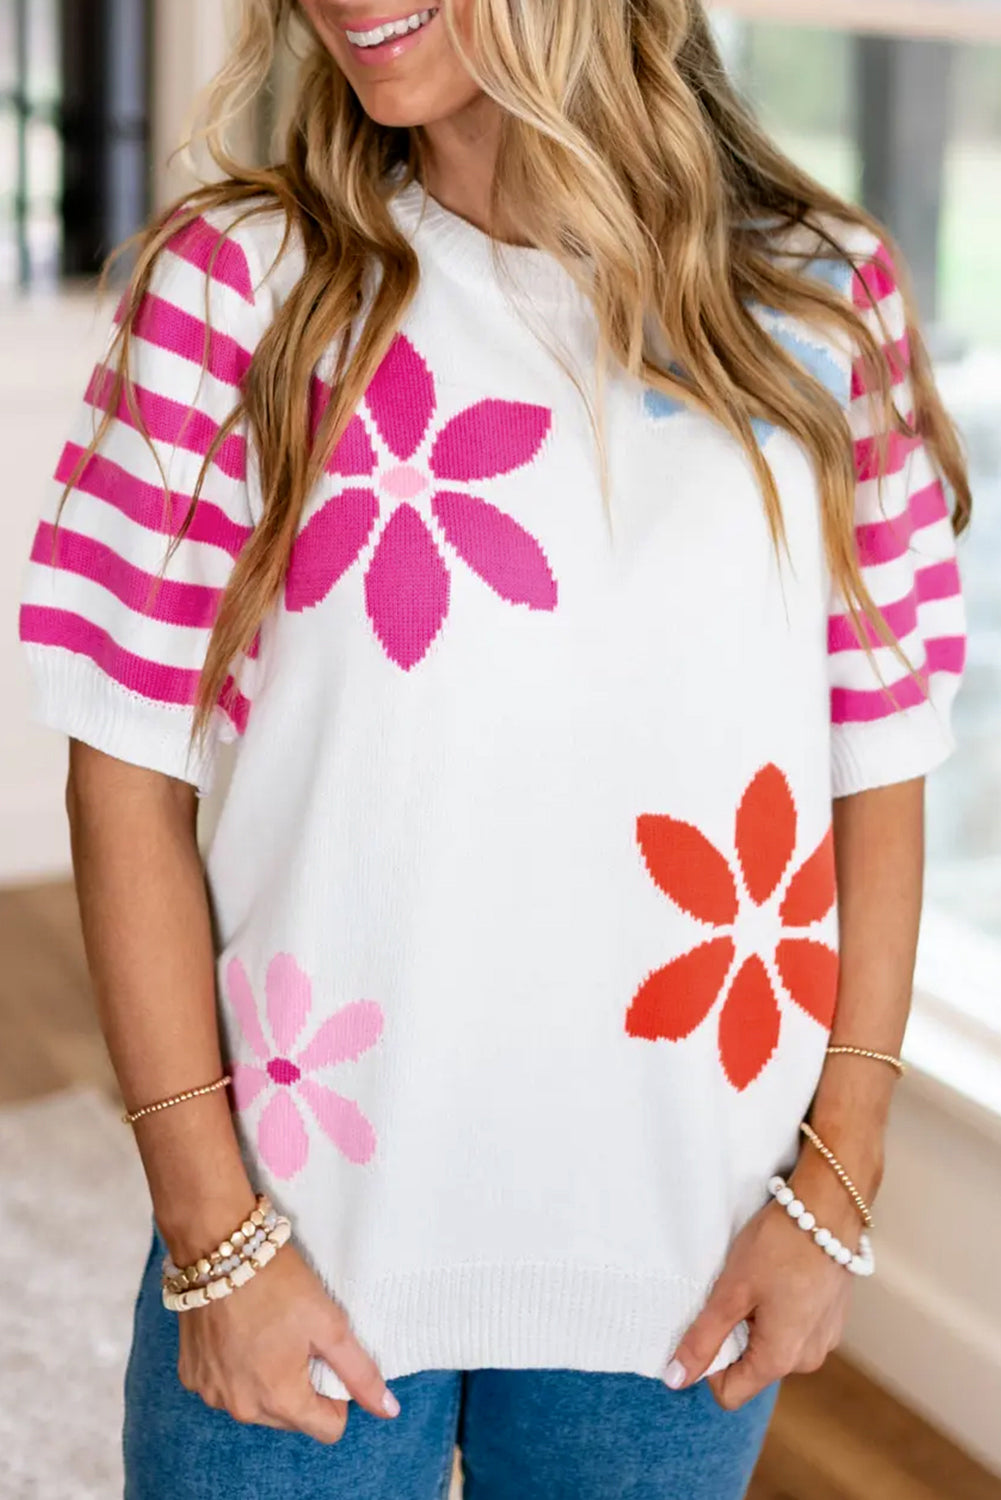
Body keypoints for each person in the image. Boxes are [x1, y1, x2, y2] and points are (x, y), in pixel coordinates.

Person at [19, 2, 970, 1497]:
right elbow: (124, 770)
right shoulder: (236, 289)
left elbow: (880, 758)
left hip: (688, 1247)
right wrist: (212, 1233)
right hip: (296, 1229)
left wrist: (836, 1185)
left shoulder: (820, 299)